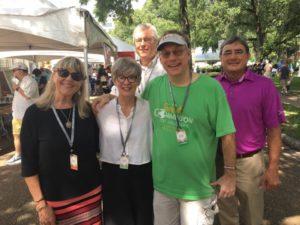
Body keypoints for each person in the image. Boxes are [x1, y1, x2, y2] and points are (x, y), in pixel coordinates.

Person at [142, 30, 236, 225]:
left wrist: (230, 174)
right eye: (166, 54)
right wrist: (108, 99)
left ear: (188, 53)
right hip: (162, 186)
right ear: (160, 58)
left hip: (198, 189)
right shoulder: (154, 87)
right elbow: (132, 111)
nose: (172, 58)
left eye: (177, 51)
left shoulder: (211, 88)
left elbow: (227, 134)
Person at [21, 57, 102, 225]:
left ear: (81, 83)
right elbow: (29, 165)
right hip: (55, 200)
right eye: (64, 73)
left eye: (76, 76)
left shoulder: (86, 111)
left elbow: (98, 148)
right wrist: (41, 205)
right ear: (53, 76)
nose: (69, 79)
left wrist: (108, 97)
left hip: (91, 194)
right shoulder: (34, 114)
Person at [215, 36, 286, 225]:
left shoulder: (265, 86)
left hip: (249, 163)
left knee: (252, 216)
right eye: (227, 52)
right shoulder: (212, 86)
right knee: (225, 215)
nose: (233, 56)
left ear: (247, 56)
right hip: (218, 162)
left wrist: (273, 167)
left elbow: (274, 129)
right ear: (221, 58)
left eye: (239, 52)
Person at [96, 57, 153, 225]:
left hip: (142, 170)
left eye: (132, 77)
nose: (126, 82)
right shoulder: (101, 108)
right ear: (114, 79)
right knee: (116, 219)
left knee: (143, 218)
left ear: (138, 81)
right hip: (111, 171)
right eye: (121, 77)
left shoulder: (148, 107)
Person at [110, 23, 165, 97]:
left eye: (147, 40)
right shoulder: (128, 68)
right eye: (138, 40)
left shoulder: (166, 66)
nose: (142, 44)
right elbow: (117, 91)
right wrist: (108, 97)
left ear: (156, 42)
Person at [6, 62, 39, 165]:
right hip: (18, 114)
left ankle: (29, 154)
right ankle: (19, 155)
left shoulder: (30, 81)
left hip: (26, 114)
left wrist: (16, 88)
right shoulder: (21, 81)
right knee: (16, 135)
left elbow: (27, 96)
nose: (13, 73)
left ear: (21, 70)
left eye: (14, 70)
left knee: (28, 136)